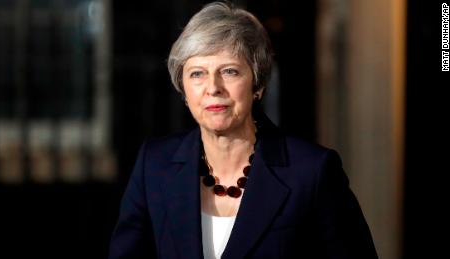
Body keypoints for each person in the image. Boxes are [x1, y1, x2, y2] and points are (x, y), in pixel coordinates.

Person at [109, 2, 378, 258]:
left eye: (229, 71)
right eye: (197, 74)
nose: (212, 87)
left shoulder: (312, 171)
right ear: (183, 89)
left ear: (257, 84)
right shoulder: (154, 165)